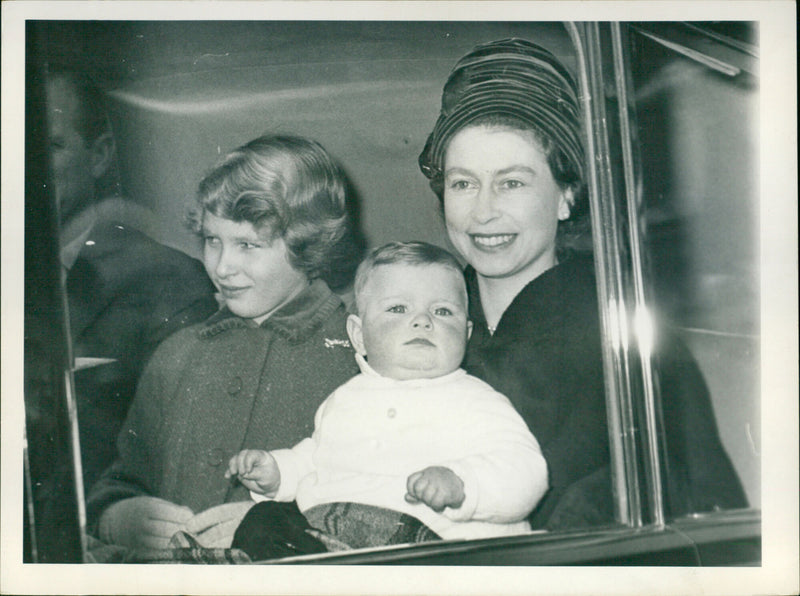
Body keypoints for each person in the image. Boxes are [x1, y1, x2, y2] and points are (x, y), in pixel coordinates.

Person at [417, 38, 748, 529]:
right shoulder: (415, 313)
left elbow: (701, 510)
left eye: (512, 182)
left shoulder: (622, 332)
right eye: (464, 183)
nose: (483, 211)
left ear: (566, 197)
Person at [85, 134, 362, 553]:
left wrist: (275, 528)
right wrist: (117, 516)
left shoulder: (359, 355)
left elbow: (386, 501)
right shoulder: (176, 355)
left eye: (247, 245)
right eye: (213, 240)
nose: (221, 266)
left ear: (308, 244)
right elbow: (122, 478)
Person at [226, 241, 547, 559]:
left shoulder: (476, 401)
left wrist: (462, 483)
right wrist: (279, 471)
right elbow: (318, 457)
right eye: (398, 309)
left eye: (442, 311)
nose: (423, 321)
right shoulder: (345, 398)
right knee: (263, 520)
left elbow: (525, 470)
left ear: (465, 334)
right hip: (337, 540)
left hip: (428, 549)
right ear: (359, 335)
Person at [41, 67, 219, 493]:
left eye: (50, 145)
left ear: (100, 155)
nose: (22, 167)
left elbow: (186, 458)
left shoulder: (168, 281)